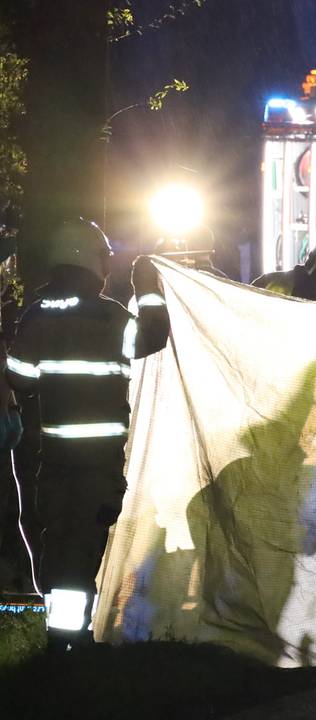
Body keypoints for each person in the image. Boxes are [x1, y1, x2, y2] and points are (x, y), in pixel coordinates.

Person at [5, 219, 170, 651]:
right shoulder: (111, 317)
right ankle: (68, 643)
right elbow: (154, 336)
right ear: (92, 263)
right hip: (97, 464)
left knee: (57, 545)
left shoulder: (36, 315)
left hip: (51, 460)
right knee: (81, 550)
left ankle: (61, 636)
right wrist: (148, 286)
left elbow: (19, 378)